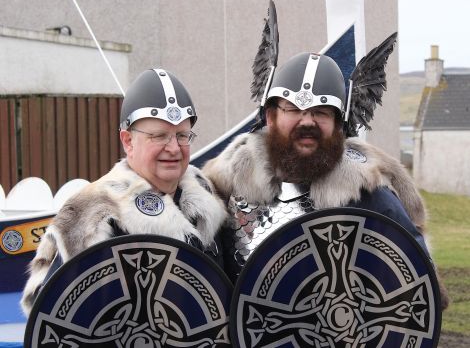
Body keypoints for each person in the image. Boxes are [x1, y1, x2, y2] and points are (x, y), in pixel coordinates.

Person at [202, 51, 449, 309]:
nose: (307, 121)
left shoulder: (371, 199)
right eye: (294, 109)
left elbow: (415, 298)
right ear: (271, 117)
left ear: (338, 125)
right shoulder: (225, 186)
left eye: (320, 112)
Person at [21, 68, 227, 315]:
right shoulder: (90, 215)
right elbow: (54, 318)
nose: (174, 148)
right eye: (159, 136)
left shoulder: (207, 194)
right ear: (128, 141)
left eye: (182, 135)